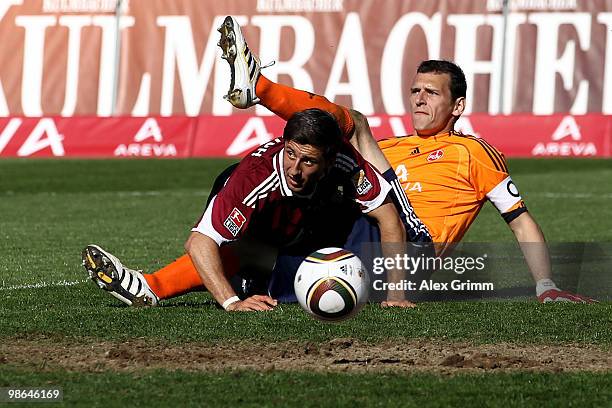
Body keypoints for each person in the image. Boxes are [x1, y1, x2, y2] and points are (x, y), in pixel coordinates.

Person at [218, 16, 594, 303]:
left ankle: (260, 87)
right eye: (416, 90)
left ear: (458, 105)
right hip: (367, 231)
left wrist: (546, 286)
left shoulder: (474, 153)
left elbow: (520, 221)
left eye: (432, 93)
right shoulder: (393, 146)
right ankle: (166, 285)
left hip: (414, 248)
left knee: (355, 127)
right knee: (272, 209)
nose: (419, 99)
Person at [83, 107, 419, 311]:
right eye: (291, 154)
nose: (295, 168)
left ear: (330, 159)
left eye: (308, 161)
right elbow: (199, 243)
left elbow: (390, 220)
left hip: (307, 221)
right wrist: (232, 303)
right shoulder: (255, 178)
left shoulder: (347, 161)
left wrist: (396, 293)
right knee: (244, 252)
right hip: (257, 221)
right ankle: (151, 286)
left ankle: (244, 280)